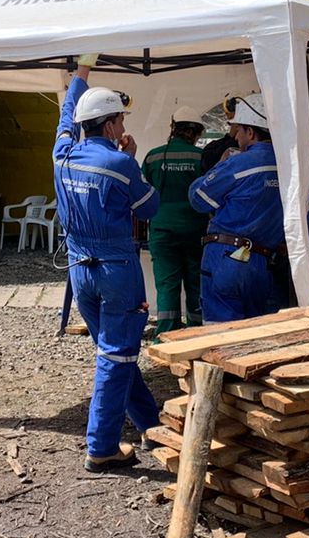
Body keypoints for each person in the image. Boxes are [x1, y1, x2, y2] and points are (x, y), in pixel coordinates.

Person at [54, 57, 162, 471]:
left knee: (114, 352)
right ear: (113, 125)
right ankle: (101, 446)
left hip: (80, 269)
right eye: (120, 119)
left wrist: (80, 75)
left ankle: (151, 425)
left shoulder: (62, 155)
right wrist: (131, 160)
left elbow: (66, 114)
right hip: (117, 269)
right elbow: (148, 207)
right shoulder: (120, 163)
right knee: (116, 356)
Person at [188, 92, 285, 324]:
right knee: (254, 335)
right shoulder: (287, 166)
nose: (236, 137)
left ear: (250, 132)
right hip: (261, 263)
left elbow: (198, 199)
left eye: (238, 131)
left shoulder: (237, 163)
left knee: (218, 336)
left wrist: (219, 166)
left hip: (225, 259)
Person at [141, 107, 209, 334]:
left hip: (162, 231)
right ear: (196, 132)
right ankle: (195, 334)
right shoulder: (201, 157)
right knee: (196, 283)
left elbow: (143, 192)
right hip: (195, 230)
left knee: (167, 285)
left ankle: (166, 335)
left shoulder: (153, 156)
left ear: (173, 128)